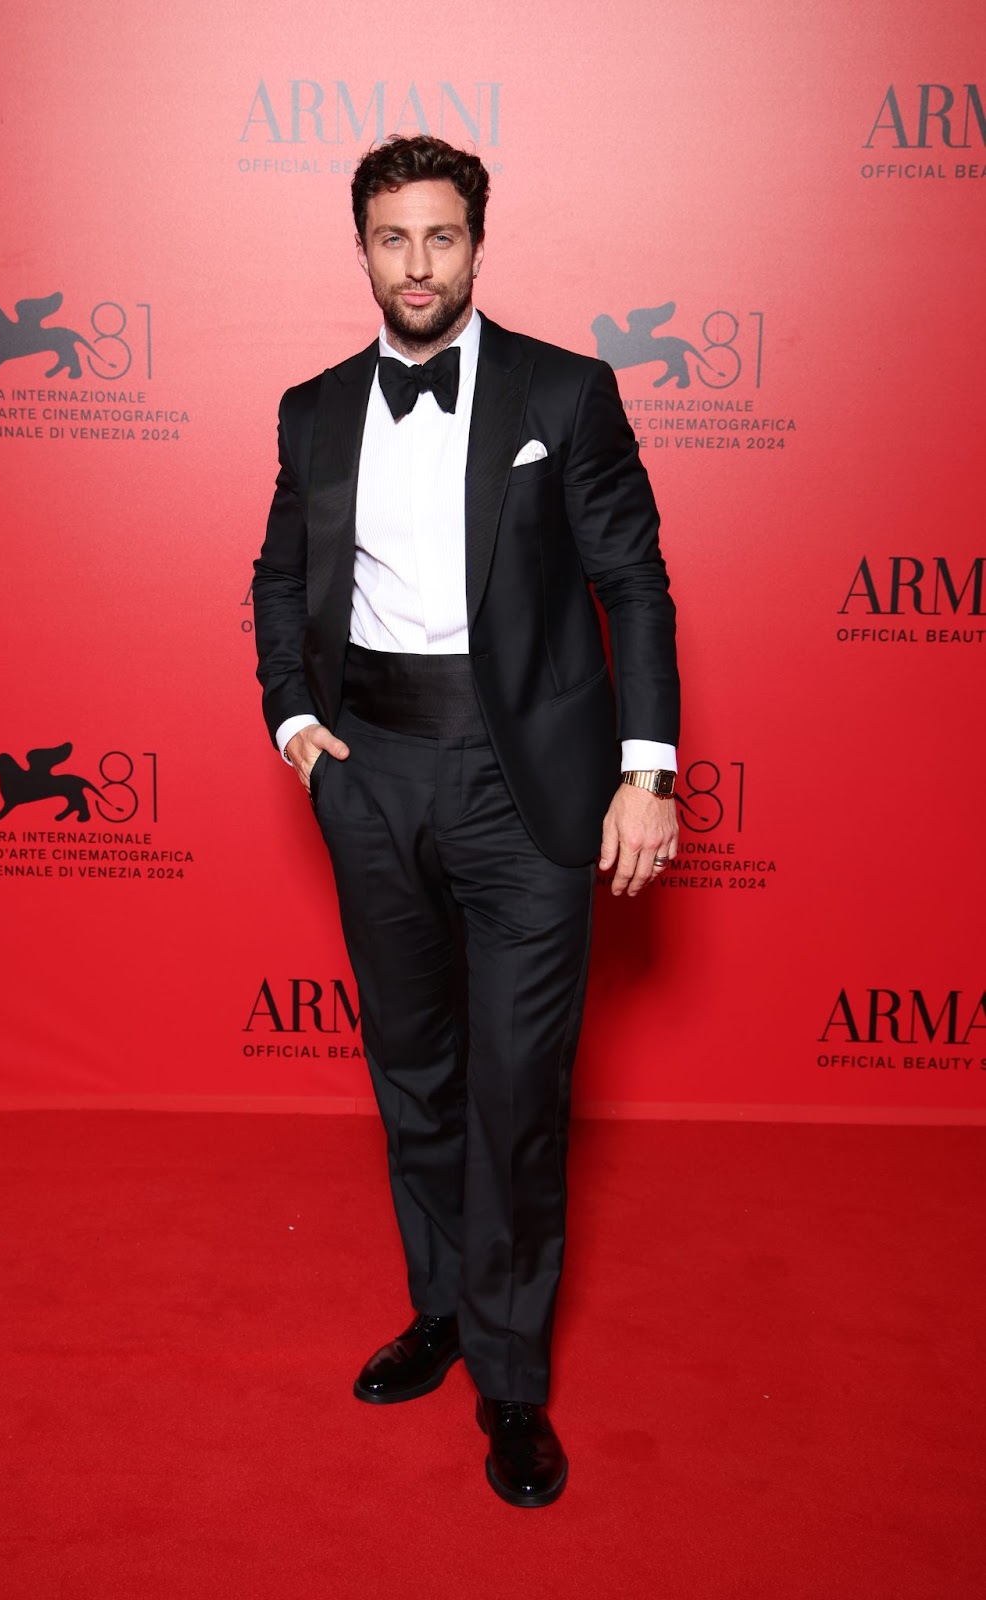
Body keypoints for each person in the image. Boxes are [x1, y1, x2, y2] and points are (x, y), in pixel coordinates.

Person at [252, 134, 680, 1509]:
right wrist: (294, 730)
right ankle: (439, 1305)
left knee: (513, 1095)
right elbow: (275, 577)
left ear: (476, 245)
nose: (417, 264)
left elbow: (639, 586)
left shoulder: (566, 390)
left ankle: (508, 1379)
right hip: (370, 772)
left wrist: (648, 770)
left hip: (528, 788)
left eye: (440, 238)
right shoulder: (312, 408)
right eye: (392, 239)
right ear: (362, 247)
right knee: (415, 1071)